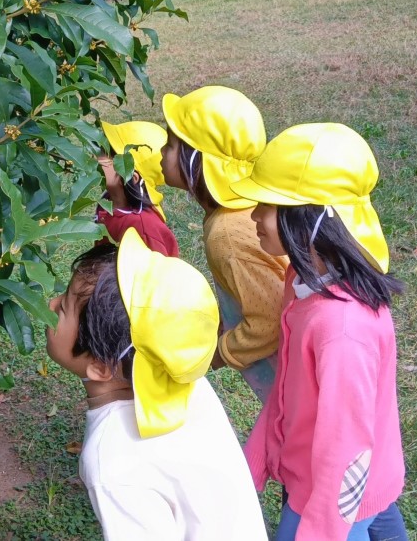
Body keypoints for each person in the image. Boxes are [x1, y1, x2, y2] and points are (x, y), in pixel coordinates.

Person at [231, 123, 408, 541]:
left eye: (268, 205)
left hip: (326, 499)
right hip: (350, 482)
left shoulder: (341, 329)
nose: (254, 215)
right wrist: (254, 461)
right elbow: (288, 390)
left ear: (312, 219)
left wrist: (319, 532)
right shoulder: (303, 279)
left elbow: (347, 451)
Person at [46, 229, 267, 540]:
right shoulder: (183, 382)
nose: (51, 303)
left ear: (98, 367)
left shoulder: (110, 464)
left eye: (63, 309)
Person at [160, 86, 288, 402]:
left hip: (290, 384)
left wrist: (217, 354)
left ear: (196, 160)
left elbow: (269, 323)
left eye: (171, 144)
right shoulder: (237, 213)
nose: (161, 152)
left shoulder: (227, 234)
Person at [95, 120, 179, 257]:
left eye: (108, 153)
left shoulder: (145, 228)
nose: (98, 157)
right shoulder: (107, 201)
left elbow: (158, 274)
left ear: (132, 177)